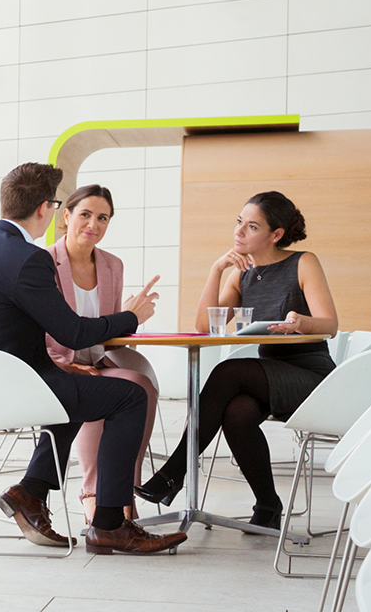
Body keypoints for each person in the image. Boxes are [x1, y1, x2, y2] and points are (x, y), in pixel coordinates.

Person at [0, 162, 184, 555]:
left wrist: (59, 364)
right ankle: (109, 524)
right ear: (47, 209)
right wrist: (132, 316)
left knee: (71, 389)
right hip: (3, 389)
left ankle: (31, 492)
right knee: (129, 396)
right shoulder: (28, 258)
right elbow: (74, 332)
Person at [136, 191, 337, 531]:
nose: (240, 232)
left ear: (276, 235)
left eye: (252, 226)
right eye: (239, 222)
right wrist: (217, 269)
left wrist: (301, 322)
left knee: (228, 371)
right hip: (271, 375)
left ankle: (173, 474)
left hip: (310, 375)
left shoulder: (303, 262)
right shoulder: (240, 274)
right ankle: (269, 507)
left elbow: (330, 324)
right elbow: (204, 326)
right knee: (237, 413)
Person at [46, 185, 160, 524]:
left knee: (141, 384)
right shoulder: (45, 263)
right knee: (105, 391)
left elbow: (110, 332)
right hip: (56, 362)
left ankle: (123, 490)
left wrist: (129, 315)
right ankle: (94, 493)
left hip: (97, 357)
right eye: (85, 215)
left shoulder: (112, 265)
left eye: (102, 218)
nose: (92, 224)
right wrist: (67, 363)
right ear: (66, 217)